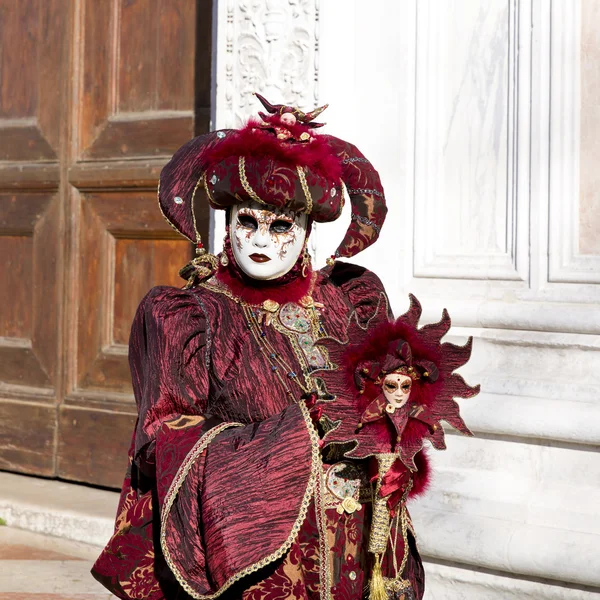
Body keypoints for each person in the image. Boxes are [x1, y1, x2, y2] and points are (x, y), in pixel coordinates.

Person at [92, 94, 478, 600]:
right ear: (227, 224)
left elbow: (393, 405)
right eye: (247, 222)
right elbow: (165, 441)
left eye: (281, 227)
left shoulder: (351, 300)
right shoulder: (189, 316)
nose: (261, 240)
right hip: (266, 560)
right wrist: (295, 431)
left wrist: (401, 457)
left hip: (358, 543)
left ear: (307, 231)